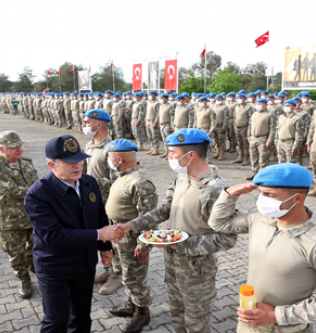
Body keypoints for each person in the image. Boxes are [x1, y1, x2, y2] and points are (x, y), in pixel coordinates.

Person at [112, 128, 237, 333]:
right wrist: (131, 225)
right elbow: (164, 210)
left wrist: (180, 243)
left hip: (196, 270)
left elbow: (227, 238)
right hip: (173, 263)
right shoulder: (182, 177)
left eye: (172, 153)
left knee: (196, 322)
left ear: (191, 155)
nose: (168, 157)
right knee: (177, 314)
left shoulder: (215, 189)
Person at [208, 163, 316, 333]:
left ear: (298, 198)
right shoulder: (261, 219)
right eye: (261, 193)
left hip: (287, 329)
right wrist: (230, 194)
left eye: (269, 195)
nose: (262, 200)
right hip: (249, 324)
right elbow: (219, 223)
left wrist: (276, 316)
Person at [24, 135, 120, 333]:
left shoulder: (88, 182)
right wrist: (98, 236)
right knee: (56, 321)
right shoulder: (38, 194)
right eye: (70, 162)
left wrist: (104, 247)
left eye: (80, 159)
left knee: (82, 317)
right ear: (52, 164)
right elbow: (54, 235)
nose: (78, 165)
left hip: (84, 263)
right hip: (55, 266)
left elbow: (99, 215)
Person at [105, 139, 158, 333]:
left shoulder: (140, 182)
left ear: (118, 159)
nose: (109, 161)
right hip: (119, 236)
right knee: (126, 275)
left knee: (135, 278)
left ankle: (142, 313)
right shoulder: (123, 174)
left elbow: (150, 218)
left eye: (110, 158)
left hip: (132, 239)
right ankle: (132, 304)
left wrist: (145, 245)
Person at [0, 131, 39, 298]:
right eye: (13, 146)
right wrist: (43, 191)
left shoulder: (27, 163)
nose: (19, 149)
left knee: (34, 246)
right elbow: (12, 191)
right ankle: (23, 278)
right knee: (15, 251)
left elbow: (36, 182)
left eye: (20, 145)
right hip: (9, 218)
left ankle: (35, 267)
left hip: (30, 215)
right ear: (2, 149)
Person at [81, 109, 123, 295]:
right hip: (93, 203)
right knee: (102, 239)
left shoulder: (112, 148)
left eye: (87, 122)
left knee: (114, 239)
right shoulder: (89, 146)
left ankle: (118, 274)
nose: (84, 125)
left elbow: (120, 180)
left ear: (99, 125)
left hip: (110, 204)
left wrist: (92, 182)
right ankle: (108, 270)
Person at [247, 98, 277, 181]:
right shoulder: (254, 114)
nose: (258, 106)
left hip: (263, 139)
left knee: (263, 158)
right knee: (253, 157)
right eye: (257, 104)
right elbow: (250, 126)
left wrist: (270, 140)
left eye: (260, 104)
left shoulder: (270, 115)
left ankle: (263, 175)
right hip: (253, 138)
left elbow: (273, 129)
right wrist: (249, 137)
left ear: (265, 105)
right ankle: (255, 173)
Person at [276, 99, 305, 165]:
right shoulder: (281, 117)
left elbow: (299, 134)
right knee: (281, 163)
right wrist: (276, 142)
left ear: (294, 107)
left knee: (290, 163)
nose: (286, 107)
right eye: (285, 105)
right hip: (280, 142)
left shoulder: (297, 118)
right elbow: (277, 130)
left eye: (288, 106)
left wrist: (295, 147)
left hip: (290, 143)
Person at [232, 92, 254, 166]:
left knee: (245, 143)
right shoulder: (236, 107)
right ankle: (240, 156)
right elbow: (235, 117)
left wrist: (249, 128)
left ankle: (246, 158)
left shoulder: (249, 107)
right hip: (237, 127)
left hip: (245, 128)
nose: (240, 99)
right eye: (238, 98)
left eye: (241, 98)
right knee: (239, 142)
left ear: (245, 99)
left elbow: (251, 119)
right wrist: (234, 126)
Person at [212, 94, 230, 161]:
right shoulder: (215, 107)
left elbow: (226, 118)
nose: (218, 101)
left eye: (219, 99)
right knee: (216, 140)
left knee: (222, 141)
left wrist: (224, 127)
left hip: (221, 126)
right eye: (217, 99)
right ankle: (218, 152)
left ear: (222, 100)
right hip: (215, 126)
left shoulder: (225, 108)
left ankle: (222, 154)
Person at [158, 93, 176, 159]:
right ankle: (166, 152)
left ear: (166, 98)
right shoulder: (161, 105)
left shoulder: (170, 106)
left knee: (169, 140)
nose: (161, 99)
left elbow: (172, 117)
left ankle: (170, 153)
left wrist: (172, 126)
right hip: (161, 124)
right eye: (161, 98)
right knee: (164, 139)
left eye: (162, 98)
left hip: (167, 124)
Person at [145, 91, 162, 155]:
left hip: (153, 121)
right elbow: (147, 112)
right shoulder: (148, 102)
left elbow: (158, 114)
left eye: (151, 94)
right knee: (150, 136)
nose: (149, 95)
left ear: (155, 95)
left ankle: (156, 149)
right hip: (148, 121)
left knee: (155, 136)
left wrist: (156, 122)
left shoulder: (157, 103)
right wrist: (145, 121)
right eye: (149, 94)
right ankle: (152, 148)